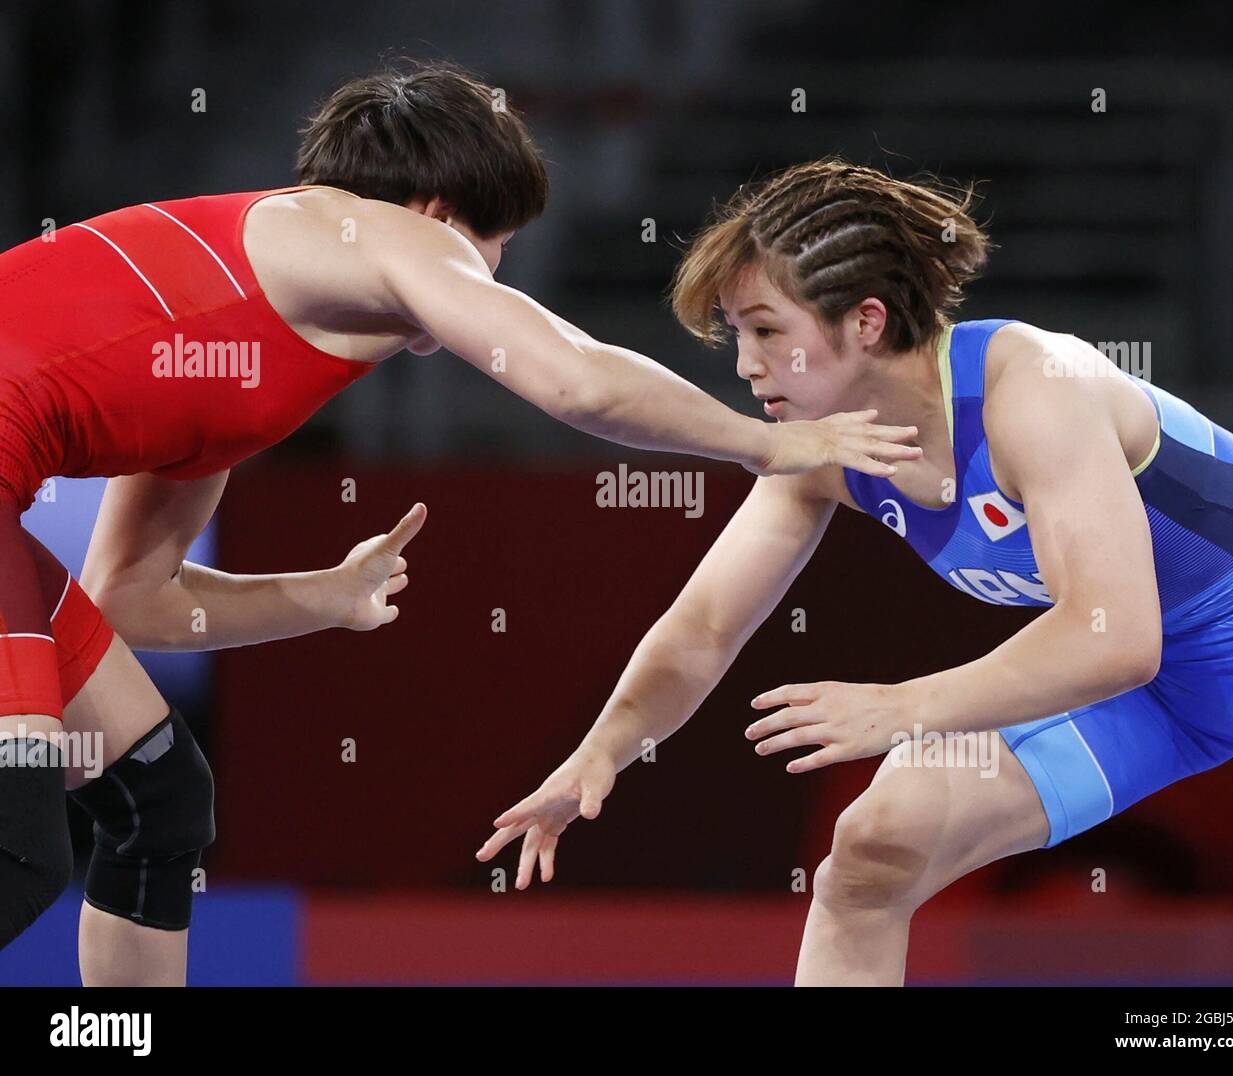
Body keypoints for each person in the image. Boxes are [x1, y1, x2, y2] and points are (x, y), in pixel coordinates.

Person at [0, 67, 914, 984]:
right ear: (437, 218)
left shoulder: (238, 337)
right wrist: (769, 444)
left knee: (156, 797)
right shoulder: (375, 230)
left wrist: (322, 597)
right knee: (19, 846)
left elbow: (136, 598)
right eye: (493, 248)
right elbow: (577, 379)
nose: (494, 280)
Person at [478, 157, 1233, 986]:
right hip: (1148, 694)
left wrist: (901, 708)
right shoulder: (822, 451)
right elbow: (704, 629)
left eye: (767, 331)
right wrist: (603, 751)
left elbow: (1117, 636)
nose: (745, 366)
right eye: (738, 335)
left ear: (865, 322)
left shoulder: (1034, 391)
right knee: (873, 856)